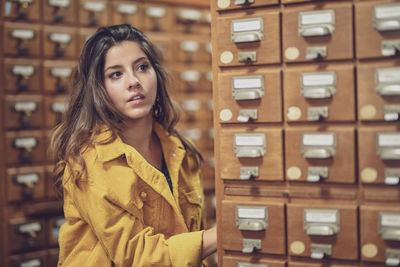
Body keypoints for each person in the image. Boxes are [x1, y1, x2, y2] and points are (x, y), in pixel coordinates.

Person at [48, 24, 217, 267]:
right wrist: (219, 236)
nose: (134, 81)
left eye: (142, 67)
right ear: (99, 90)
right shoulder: (89, 163)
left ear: (156, 75)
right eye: (116, 74)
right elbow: (137, 255)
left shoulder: (179, 151)